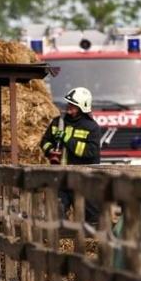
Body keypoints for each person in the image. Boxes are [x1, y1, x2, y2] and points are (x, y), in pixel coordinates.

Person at [40, 87, 102, 221]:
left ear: (82, 107)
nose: (69, 107)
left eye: (73, 105)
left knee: (93, 218)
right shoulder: (58, 122)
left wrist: (66, 139)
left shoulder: (91, 127)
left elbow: (91, 152)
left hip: (84, 181)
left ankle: (93, 241)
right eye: (69, 104)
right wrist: (50, 150)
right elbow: (44, 141)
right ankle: (57, 241)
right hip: (60, 179)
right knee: (55, 215)